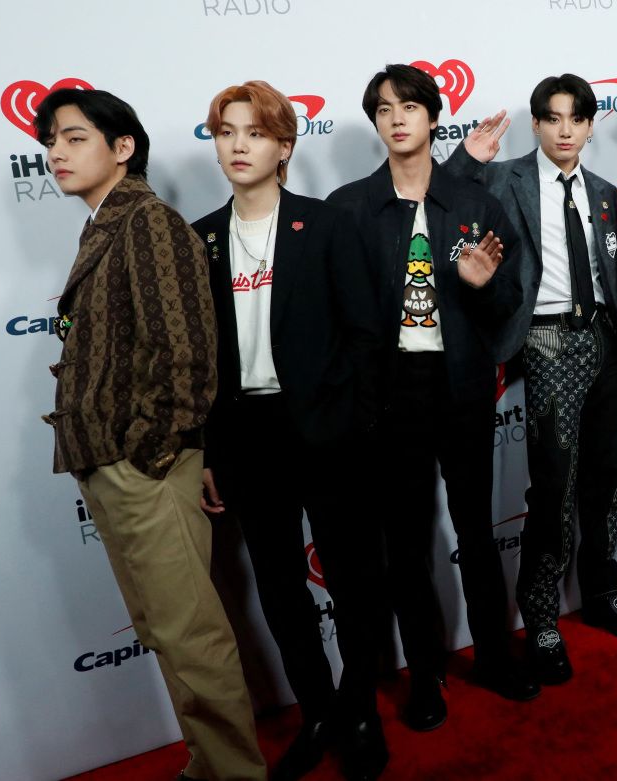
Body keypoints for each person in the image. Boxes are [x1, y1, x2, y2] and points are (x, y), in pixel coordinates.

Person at [37, 88, 266, 781]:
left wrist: (147, 452)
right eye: (51, 141)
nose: (55, 153)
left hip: (145, 469)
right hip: (107, 463)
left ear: (123, 147)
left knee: (189, 633)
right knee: (161, 628)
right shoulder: (106, 225)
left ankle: (235, 772)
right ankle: (209, 762)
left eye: (75, 138)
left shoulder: (149, 222)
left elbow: (187, 354)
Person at [327, 64, 538, 733]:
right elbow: (341, 317)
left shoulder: (476, 203)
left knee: (477, 534)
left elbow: (509, 305)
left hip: (464, 389)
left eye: (410, 105)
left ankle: (497, 656)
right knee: (408, 546)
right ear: (377, 124)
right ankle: (426, 674)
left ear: (432, 118)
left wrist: (482, 282)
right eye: (384, 109)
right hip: (391, 399)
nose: (397, 118)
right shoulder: (349, 208)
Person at [192, 80, 386, 780]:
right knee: (279, 586)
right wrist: (211, 450)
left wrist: (361, 428)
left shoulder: (325, 223)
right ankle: (319, 712)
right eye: (225, 132)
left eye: (253, 132)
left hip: (329, 430)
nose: (237, 145)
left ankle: (361, 710)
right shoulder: (201, 238)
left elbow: (367, 334)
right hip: (249, 437)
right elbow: (201, 363)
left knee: (354, 578)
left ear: (283, 145)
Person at [446, 74, 617, 685]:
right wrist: (465, 156)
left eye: (577, 119)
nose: (565, 130)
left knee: (609, 473)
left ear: (591, 126)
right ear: (536, 125)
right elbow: (440, 196)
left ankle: (603, 590)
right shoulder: (502, 178)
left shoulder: (605, 192)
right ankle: (540, 616)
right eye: (553, 118)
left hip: (607, 342)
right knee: (556, 483)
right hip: (543, 339)